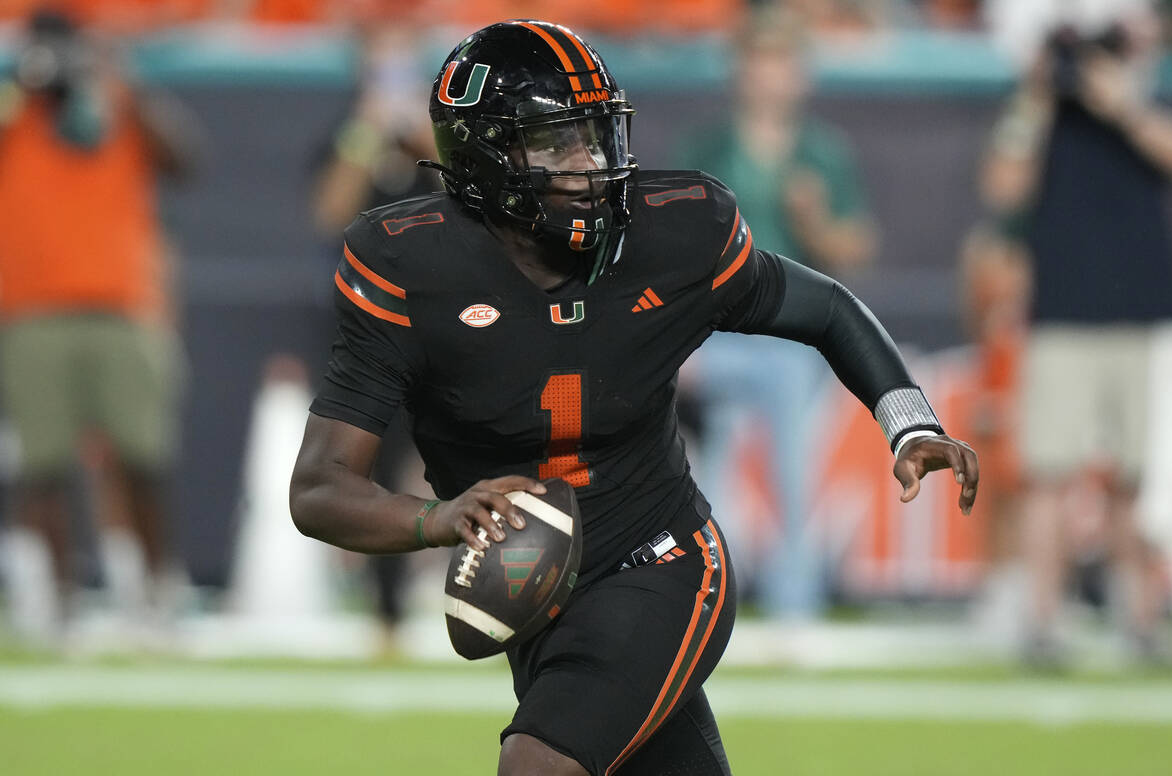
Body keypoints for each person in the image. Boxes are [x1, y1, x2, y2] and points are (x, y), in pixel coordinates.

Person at [290, 20, 977, 775]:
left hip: (665, 560)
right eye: (557, 141)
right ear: (487, 155)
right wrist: (436, 519)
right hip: (543, 594)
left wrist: (908, 423)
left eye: (595, 134)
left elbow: (826, 307)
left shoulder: (670, 230)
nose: (589, 162)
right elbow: (320, 488)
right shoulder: (408, 265)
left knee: (537, 765)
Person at [980, 6, 1172, 663]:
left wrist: (1124, 105)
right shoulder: (1043, 114)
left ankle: (1143, 623)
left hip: (1145, 315)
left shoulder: (1147, 101)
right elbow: (1002, 186)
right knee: (1049, 473)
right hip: (1064, 315)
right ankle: (1043, 623)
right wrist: (1038, 96)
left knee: (1139, 476)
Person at [0, 8, 200, 641]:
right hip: (33, 310)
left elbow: (186, 161)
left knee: (143, 458)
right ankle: (59, 603)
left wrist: (120, 84)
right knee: (44, 465)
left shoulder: (117, 101)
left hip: (124, 305)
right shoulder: (15, 110)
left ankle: (159, 593)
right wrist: (22, 87)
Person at [676, 10, 876, 615]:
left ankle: (794, 604)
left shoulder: (823, 153)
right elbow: (672, 248)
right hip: (722, 333)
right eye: (759, 64)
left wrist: (815, 221)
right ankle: (706, 599)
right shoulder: (709, 148)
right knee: (711, 473)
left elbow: (856, 249)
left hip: (791, 338)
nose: (769, 79)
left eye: (780, 65)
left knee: (792, 469)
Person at [309, 15, 441, 656]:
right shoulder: (346, 134)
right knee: (377, 467)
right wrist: (365, 132)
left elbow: (471, 200)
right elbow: (330, 212)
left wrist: (423, 138)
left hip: (445, 323)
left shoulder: (437, 137)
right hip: (374, 329)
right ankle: (387, 612)